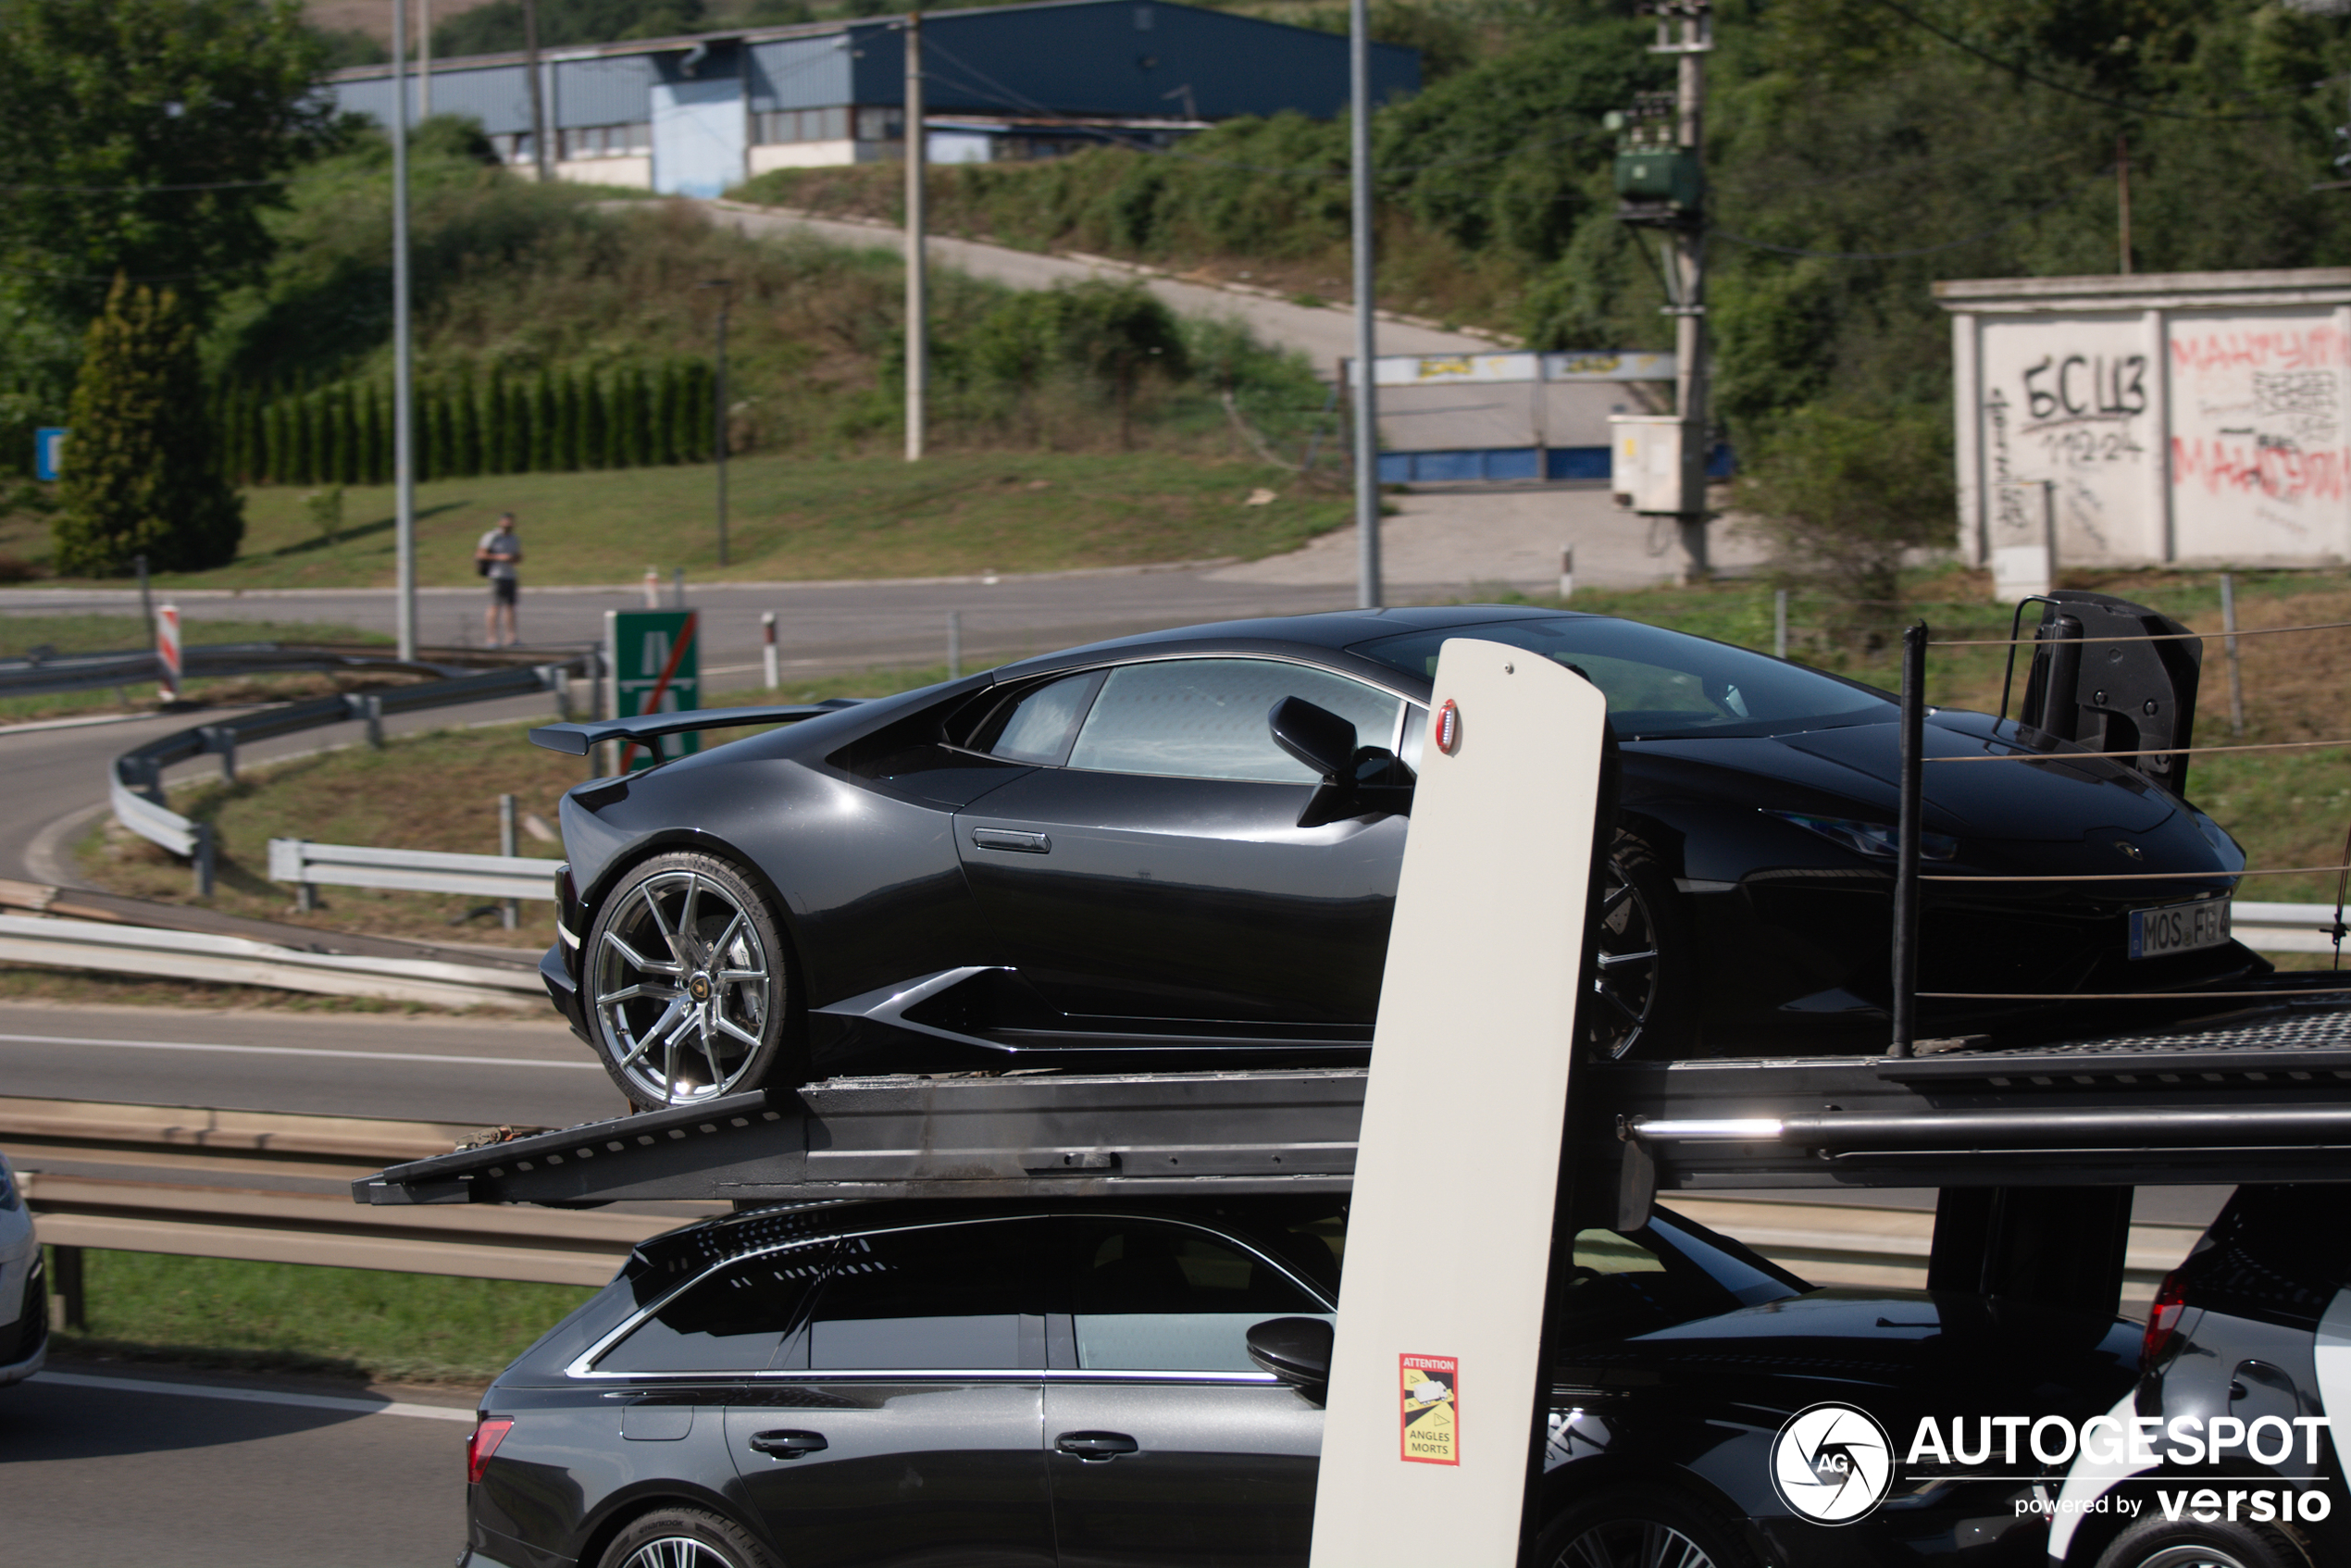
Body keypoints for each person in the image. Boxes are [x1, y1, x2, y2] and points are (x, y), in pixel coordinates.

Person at [476, 512, 523, 648]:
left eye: (510, 521)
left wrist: (514, 558)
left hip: (510, 575)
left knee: (510, 606)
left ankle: (511, 637)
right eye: (506, 521)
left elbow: (518, 556)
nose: (508, 524)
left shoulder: (514, 538)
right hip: (496, 575)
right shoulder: (492, 536)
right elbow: (481, 554)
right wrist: (500, 557)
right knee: (495, 605)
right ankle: (491, 639)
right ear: (500, 522)